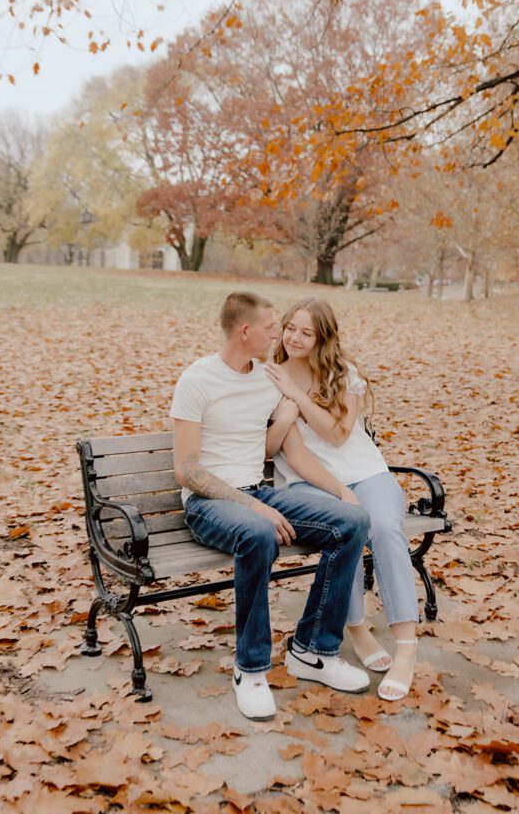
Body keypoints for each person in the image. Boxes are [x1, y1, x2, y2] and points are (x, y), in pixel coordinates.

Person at [170, 291, 372, 722]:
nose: (278, 335)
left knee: (353, 522)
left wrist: (339, 489)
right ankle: (251, 668)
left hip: (257, 495)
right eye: (270, 329)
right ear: (246, 332)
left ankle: (313, 650)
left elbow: (284, 452)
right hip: (209, 503)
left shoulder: (267, 377)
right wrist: (252, 506)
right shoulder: (197, 379)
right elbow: (187, 470)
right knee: (259, 532)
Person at [264, 297, 419, 702]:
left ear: (322, 338)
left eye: (306, 332)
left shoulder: (342, 373)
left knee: (384, 528)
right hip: (306, 483)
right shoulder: (269, 376)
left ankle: (407, 648)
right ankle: (358, 630)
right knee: (347, 525)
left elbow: (338, 434)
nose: (295, 337)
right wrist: (338, 490)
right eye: (290, 328)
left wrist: (296, 397)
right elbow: (292, 452)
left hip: (367, 473)